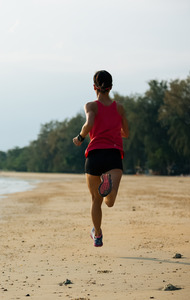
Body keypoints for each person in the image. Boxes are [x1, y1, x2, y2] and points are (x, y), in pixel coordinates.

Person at [73, 70, 129, 247]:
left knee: (95, 200)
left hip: (95, 155)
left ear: (94, 87)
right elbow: (126, 133)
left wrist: (80, 138)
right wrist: (114, 132)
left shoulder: (91, 106)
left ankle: (97, 235)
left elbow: (89, 124)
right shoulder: (119, 108)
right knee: (109, 202)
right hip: (113, 155)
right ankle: (108, 188)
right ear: (111, 87)